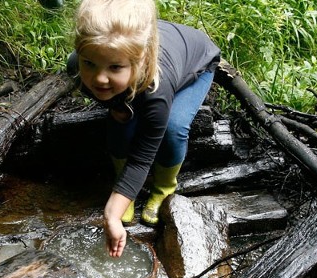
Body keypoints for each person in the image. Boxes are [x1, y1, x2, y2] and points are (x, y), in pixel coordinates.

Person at [68, 0, 220, 257]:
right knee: (120, 125)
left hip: (195, 63)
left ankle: (164, 187)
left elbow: (141, 158)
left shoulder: (157, 90)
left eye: (114, 68)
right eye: (90, 64)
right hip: (142, 62)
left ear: (141, 61)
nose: (99, 78)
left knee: (172, 128)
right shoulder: (78, 65)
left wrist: (111, 215)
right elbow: (98, 79)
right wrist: (117, 104)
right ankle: (123, 187)